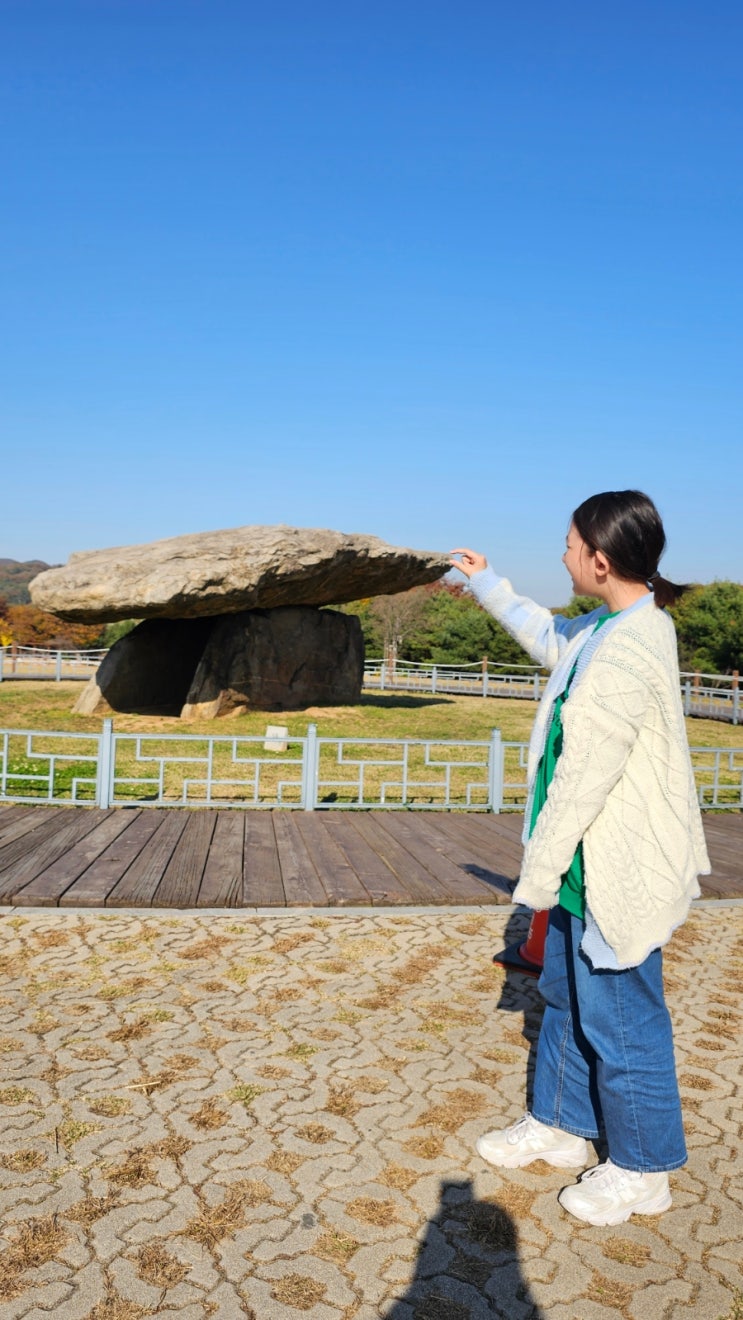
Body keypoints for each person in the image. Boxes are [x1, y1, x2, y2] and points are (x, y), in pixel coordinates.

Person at [450, 489, 710, 1227]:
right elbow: (548, 635)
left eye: (569, 544)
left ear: (599, 559)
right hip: (580, 865)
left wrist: (535, 877)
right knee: (565, 998)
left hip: (613, 868)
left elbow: (584, 778)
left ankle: (643, 1168)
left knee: (623, 1020)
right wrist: (486, 581)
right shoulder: (606, 626)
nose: (561, 554)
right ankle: (562, 1124)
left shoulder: (630, 646)